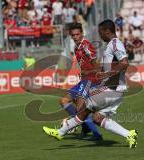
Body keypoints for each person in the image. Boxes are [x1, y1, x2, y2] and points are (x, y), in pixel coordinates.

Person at [42, 20, 138, 148]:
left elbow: (124, 63)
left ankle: (62, 131)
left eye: (100, 33)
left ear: (106, 31)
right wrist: (98, 72)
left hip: (110, 88)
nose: (99, 35)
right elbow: (106, 67)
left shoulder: (114, 43)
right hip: (115, 89)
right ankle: (129, 134)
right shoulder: (110, 44)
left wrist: (105, 74)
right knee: (97, 118)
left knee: (84, 108)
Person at [56, 23, 103, 140]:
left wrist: (88, 73)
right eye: (73, 35)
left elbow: (97, 66)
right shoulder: (76, 48)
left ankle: (96, 135)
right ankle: (85, 126)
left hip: (90, 80)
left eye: (77, 34)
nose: (75, 36)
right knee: (64, 101)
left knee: (80, 109)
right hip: (83, 81)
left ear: (82, 33)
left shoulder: (87, 45)